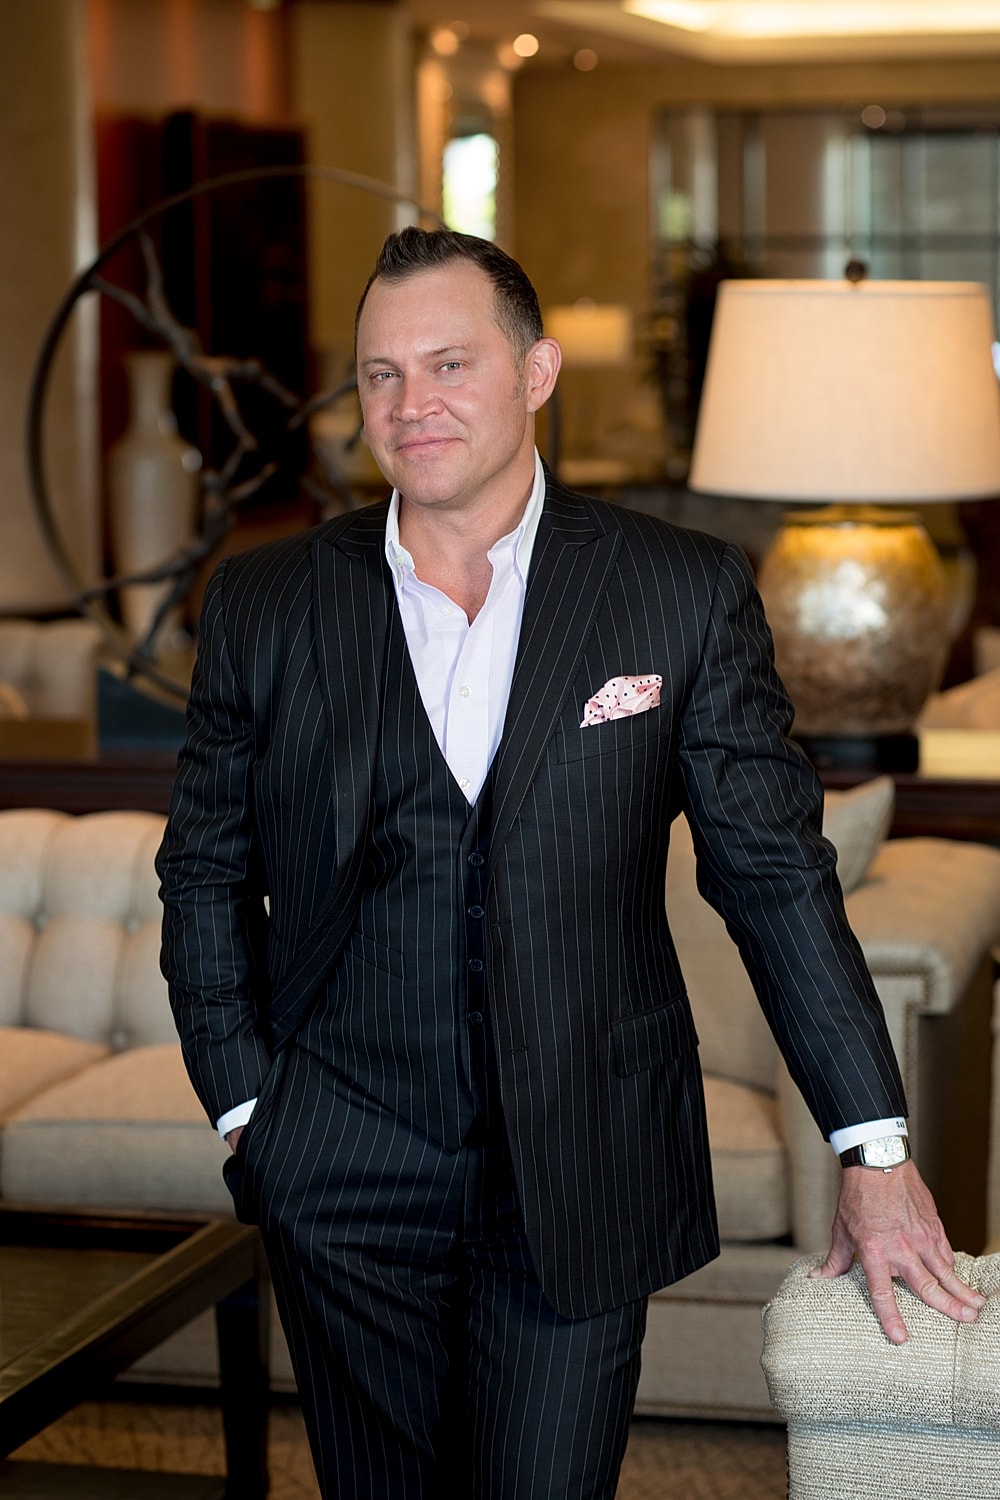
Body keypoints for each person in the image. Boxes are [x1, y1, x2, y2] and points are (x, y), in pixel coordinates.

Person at [157, 226, 984, 1500]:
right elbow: (203, 872)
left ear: (537, 372)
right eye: (381, 375)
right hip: (341, 1162)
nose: (410, 404)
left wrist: (870, 1146)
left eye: (447, 364)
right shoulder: (266, 605)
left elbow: (771, 875)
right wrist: (250, 1112)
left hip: (587, 1162)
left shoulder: (675, 593)